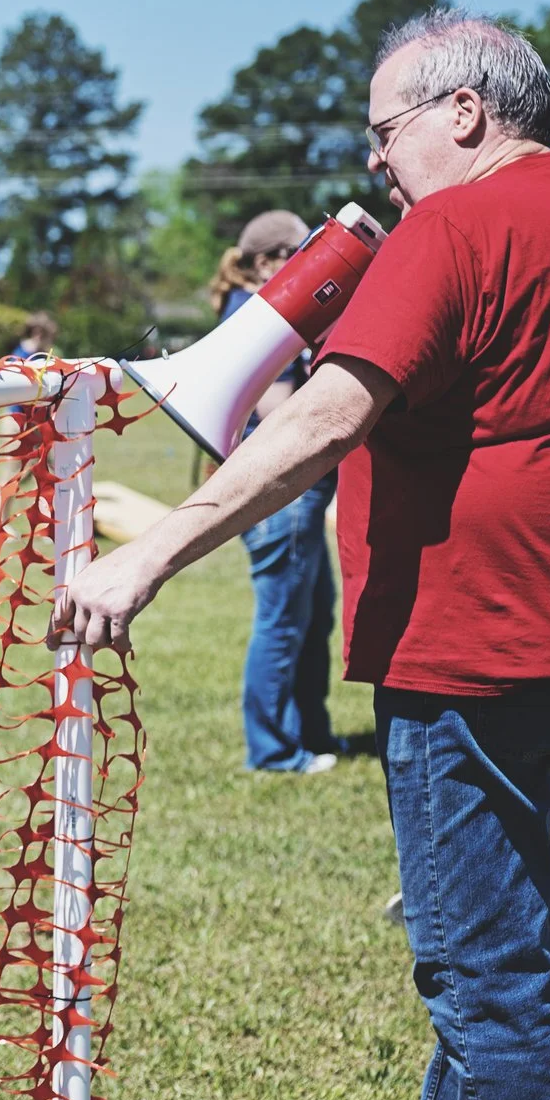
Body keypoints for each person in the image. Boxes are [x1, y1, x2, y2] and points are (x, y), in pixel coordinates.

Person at [48, 11, 550, 1100]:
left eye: (384, 128)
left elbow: (330, 412)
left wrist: (152, 550)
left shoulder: (452, 229)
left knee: (485, 970)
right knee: (511, 945)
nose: (377, 161)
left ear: (461, 112)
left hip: (485, 647)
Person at [215, 209, 339, 775]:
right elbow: (279, 413)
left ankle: (310, 734)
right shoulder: (266, 317)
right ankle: (273, 751)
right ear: (267, 262)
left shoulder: (257, 311)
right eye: (303, 250)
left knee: (311, 616)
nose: (316, 259)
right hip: (280, 492)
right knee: (285, 620)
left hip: (292, 492)